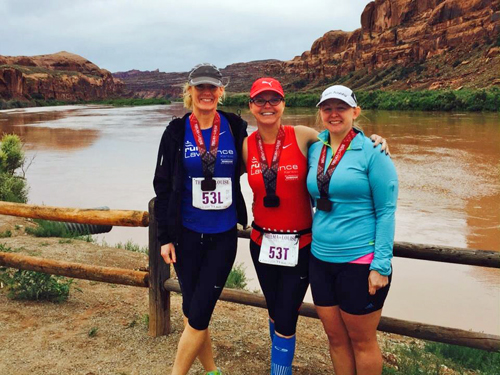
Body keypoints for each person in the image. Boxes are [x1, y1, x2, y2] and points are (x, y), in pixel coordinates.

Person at [242, 78, 389, 375]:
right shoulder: (253, 146)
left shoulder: (306, 137)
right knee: (303, 323)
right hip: (280, 247)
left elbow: (385, 208)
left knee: (291, 319)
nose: (267, 106)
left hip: (314, 248)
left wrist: (377, 139)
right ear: (251, 106)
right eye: (261, 100)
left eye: (274, 100)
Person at [153, 63, 248, 375]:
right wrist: (165, 237)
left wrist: (354, 138)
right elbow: (163, 186)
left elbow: (271, 147)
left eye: (212, 88)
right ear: (189, 92)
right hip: (185, 235)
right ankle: (211, 371)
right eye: (200, 88)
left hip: (223, 235)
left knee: (198, 312)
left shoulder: (235, 127)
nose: (206, 93)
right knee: (194, 310)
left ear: (221, 92)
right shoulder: (175, 132)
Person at [306, 85, 398, 375]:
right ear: (320, 113)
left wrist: (380, 264)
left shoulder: (373, 151)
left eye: (341, 108)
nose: (334, 114)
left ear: (355, 112)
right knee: (335, 339)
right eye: (327, 108)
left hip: (359, 262)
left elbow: (386, 211)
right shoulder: (315, 148)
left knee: (362, 341)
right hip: (320, 259)